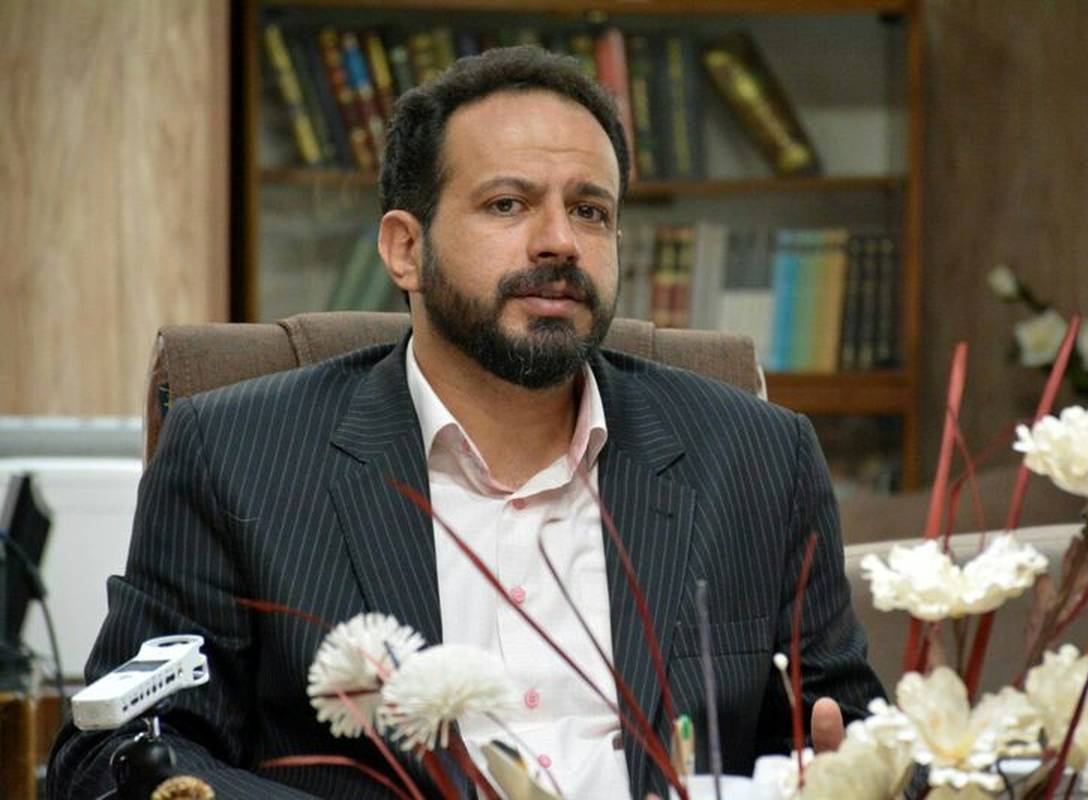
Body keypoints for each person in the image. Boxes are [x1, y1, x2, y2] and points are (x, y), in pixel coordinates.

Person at [49, 46, 883, 799]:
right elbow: (115, 755)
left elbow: (848, 733)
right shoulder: (237, 458)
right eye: (509, 204)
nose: (560, 242)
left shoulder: (758, 458)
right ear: (405, 250)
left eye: (590, 211)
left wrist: (866, 764)